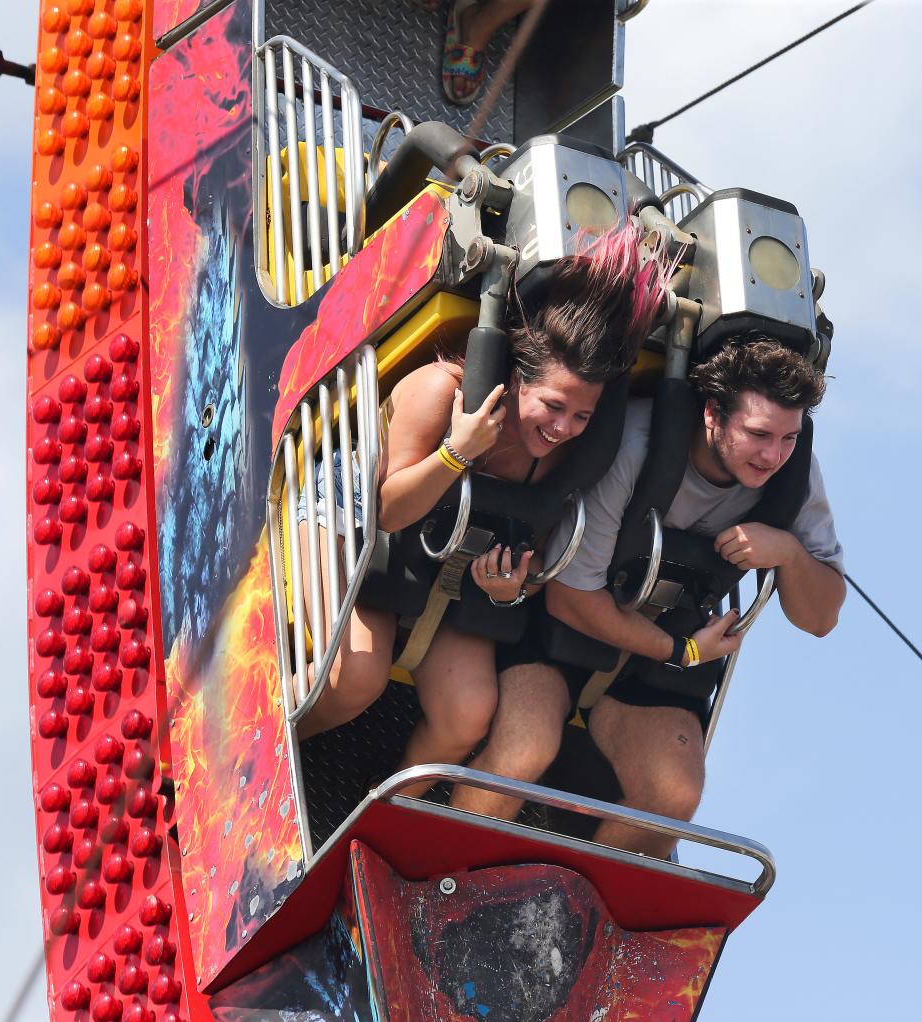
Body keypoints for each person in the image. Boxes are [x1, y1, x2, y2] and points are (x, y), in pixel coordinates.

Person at [296, 224, 671, 796]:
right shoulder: (441, 392)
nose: (563, 428)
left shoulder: (569, 457)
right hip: (354, 514)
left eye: (581, 417)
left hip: (438, 554)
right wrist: (456, 453)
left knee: (467, 714)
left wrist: (508, 589)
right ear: (517, 377)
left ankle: (377, 809)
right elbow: (389, 512)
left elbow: (538, 553)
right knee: (355, 679)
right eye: (553, 405)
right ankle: (281, 757)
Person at [450, 338, 846, 854]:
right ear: (712, 415)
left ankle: (569, 915)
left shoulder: (791, 472)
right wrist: (683, 651)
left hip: (667, 644)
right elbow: (569, 598)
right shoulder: (637, 442)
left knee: (673, 795)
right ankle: (443, 875)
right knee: (524, 752)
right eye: (758, 434)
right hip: (570, 629)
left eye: (789, 438)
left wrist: (791, 553)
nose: (773, 455)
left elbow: (821, 619)